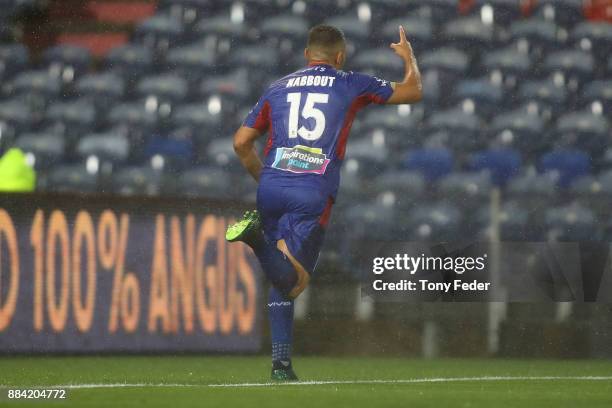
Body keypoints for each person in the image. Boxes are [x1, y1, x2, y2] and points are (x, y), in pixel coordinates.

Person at [226, 24, 422, 381]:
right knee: (294, 282)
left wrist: (265, 177)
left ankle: (281, 366)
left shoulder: (278, 87)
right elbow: (413, 91)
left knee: (279, 275)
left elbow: (241, 142)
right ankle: (253, 239)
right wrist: (410, 59)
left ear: (306, 55)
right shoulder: (350, 82)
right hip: (312, 190)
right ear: (340, 56)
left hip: (270, 185)